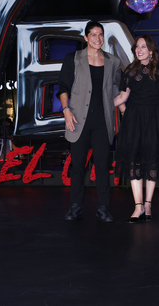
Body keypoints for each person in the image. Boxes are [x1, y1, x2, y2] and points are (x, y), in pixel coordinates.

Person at [57, 21, 121, 221]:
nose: (97, 38)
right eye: (93, 34)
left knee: (102, 166)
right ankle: (75, 207)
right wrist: (66, 110)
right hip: (78, 120)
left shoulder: (113, 62)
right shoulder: (73, 59)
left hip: (102, 121)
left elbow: (116, 89)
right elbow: (63, 87)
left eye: (100, 34)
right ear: (85, 38)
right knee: (78, 167)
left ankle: (103, 208)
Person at [113, 35, 159, 223]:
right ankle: (137, 206)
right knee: (134, 161)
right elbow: (122, 98)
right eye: (137, 47)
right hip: (133, 119)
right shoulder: (130, 70)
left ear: (151, 50)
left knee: (151, 160)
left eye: (143, 47)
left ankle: (148, 204)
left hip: (154, 118)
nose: (139, 50)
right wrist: (98, 105)